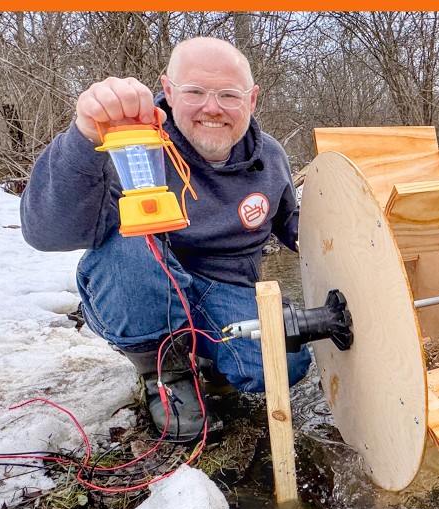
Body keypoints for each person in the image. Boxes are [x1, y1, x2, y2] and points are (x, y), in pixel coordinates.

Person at [21, 37, 311, 441]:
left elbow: (296, 227)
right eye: (195, 92)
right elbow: (47, 233)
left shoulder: (271, 157)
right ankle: (163, 369)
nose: (212, 107)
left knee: (286, 363)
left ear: (252, 99)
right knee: (131, 244)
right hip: (143, 283)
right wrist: (84, 134)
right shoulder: (131, 146)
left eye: (228, 94)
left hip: (225, 288)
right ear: (169, 91)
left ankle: (210, 355)